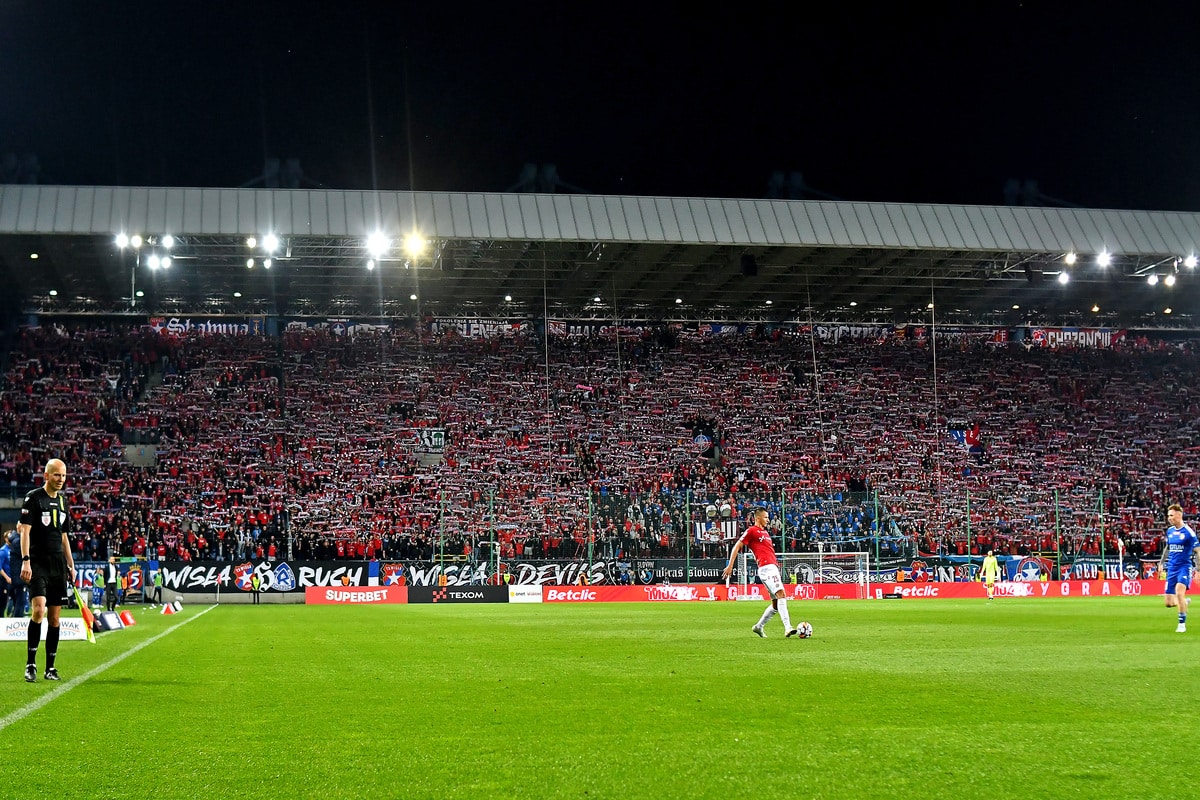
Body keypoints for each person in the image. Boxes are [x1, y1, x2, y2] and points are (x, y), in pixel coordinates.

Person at [17, 458, 76, 682]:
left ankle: (50, 667)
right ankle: (30, 664)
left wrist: (71, 565)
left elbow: (64, 537)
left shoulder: (63, 502)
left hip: (57, 565)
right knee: (38, 610)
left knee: (54, 618)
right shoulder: (33, 498)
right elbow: (25, 532)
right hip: (38, 562)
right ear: (46, 476)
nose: (60, 479)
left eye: (63, 476)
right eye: (56, 475)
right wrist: (25, 560)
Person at [722, 507, 798, 638]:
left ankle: (759, 627)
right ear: (758, 518)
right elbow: (737, 546)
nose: (768, 520)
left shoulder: (765, 533)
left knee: (775, 604)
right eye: (766, 517)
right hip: (766, 567)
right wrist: (730, 565)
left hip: (771, 567)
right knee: (781, 594)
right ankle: (787, 627)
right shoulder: (752, 531)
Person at [1158, 503, 1198, 633]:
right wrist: (1161, 562)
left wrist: (1198, 570)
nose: (1169, 518)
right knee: (1169, 603)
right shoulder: (1170, 531)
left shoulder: (1188, 532)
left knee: (1179, 592)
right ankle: (1183, 602)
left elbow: (1198, 550)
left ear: (1179, 515)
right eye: (1168, 515)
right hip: (1172, 568)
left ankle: (1181, 624)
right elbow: (1168, 548)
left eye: (1171, 515)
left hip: (1184, 567)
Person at [0, 531, 13, 617]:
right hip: (4, 581)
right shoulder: (3, 551)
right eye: (9, 538)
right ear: (5, 539)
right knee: (2, 603)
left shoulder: (13, 549)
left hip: (13, 580)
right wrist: (7, 577)